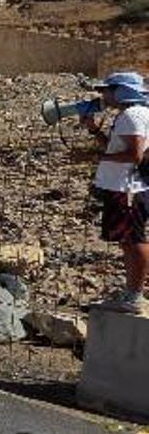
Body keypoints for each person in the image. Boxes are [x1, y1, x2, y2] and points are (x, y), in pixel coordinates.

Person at [81, 72, 149, 313]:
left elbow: (135, 155)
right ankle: (131, 293)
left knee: (134, 240)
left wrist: (96, 157)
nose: (104, 95)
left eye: (108, 90)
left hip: (127, 188)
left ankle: (135, 296)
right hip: (121, 187)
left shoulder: (132, 116)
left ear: (121, 91)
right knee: (127, 240)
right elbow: (115, 146)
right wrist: (94, 131)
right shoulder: (129, 115)